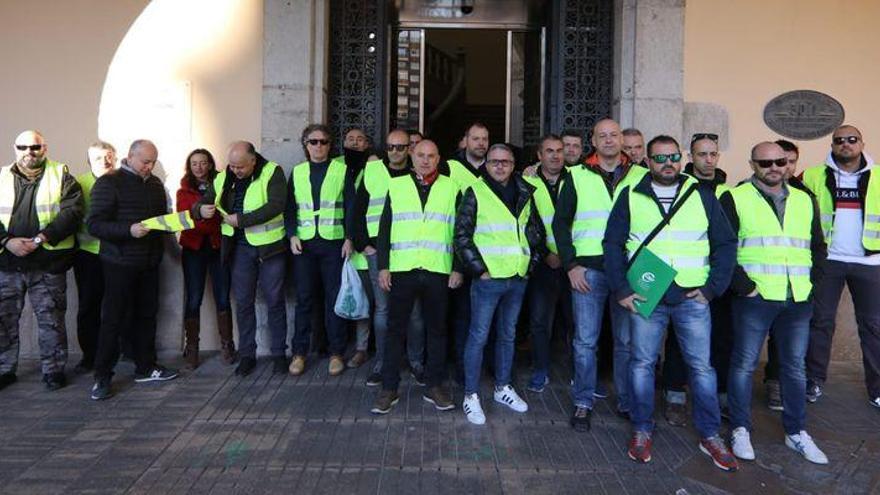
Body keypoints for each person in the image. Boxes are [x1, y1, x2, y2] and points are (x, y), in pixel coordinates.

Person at [604, 135, 738, 471]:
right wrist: (621, 290)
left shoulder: (702, 194)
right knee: (641, 364)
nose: (668, 163)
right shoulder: (630, 194)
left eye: (673, 157)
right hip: (647, 292)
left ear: (681, 158)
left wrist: (712, 288)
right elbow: (612, 244)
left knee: (701, 368)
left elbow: (725, 243)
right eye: (660, 157)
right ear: (647, 161)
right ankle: (641, 429)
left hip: (692, 294)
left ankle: (710, 434)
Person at [723, 141, 829, 464]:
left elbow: (817, 247)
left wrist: (811, 285)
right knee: (744, 364)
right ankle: (740, 428)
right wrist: (744, 287)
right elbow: (723, 247)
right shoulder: (735, 197)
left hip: (797, 297)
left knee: (794, 368)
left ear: (788, 164)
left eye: (779, 162)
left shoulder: (804, 199)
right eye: (765, 163)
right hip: (755, 298)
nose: (773, 168)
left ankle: (796, 432)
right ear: (752, 164)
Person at [553, 118, 646, 430]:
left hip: (630, 272)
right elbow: (560, 224)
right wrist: (570, 265)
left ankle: (626, 401)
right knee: (585, 341)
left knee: (626, 341)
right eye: (602, 136)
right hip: (588, 271)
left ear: (623, 140)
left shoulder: (642, 176)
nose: (608, 140)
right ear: (593, 141)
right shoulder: (576, 176)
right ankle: (583, 401)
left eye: (614, 135)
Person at [455, 143, 546, 425]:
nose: (499, 166)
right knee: (478, 336)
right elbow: (461, 236)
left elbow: (536, 232)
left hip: (517, 277)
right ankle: (470, 395)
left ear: (513, 164)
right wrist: (479, 270)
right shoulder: (475, 192)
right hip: (489, 280)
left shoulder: (525, 192)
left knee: (508, 335)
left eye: (505, 162)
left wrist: (529, 266)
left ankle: (502, 387)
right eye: (494, 161)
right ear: (487, 164)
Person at [370, 139, 462, 414]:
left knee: (437, 330)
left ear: (438, 158)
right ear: (412, 156)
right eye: (420, 155)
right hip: (402, 268)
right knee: (395, 330)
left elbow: (460, 232)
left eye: (431, 156)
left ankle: (434, 386)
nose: (425, 160)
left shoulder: (451, 187)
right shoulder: (396, 186)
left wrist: (457, 267)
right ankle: (389, 389)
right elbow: (384, 229)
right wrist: (383, 266)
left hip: (438, 269)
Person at [88, 140, 178, 400]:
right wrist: (129, 230)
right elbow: (94, 225)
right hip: (119, 262)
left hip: (149, 262)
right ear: (129, 157)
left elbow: (161, 217)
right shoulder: (109, 182)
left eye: (153, 162)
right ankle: (102, 376)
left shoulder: (155, 184)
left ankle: (146, 367)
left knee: (147, 316)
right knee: (113, 319)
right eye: (145, 162)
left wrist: (173, 223)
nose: (149, 167)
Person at [803, 125, 880, 410]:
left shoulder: (879, 176)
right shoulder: (812, 175)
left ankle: (877, 388)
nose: (845, 144)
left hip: (871, 262)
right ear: (832, 145)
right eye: (839, 141)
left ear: (862, 142)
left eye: (852, 140)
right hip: (829, 261)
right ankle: (813, 380)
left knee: (873, 326)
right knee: (820, 322)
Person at [0, 130, 83, 392]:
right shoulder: (1, 177)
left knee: (52, 320)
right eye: (23, 147)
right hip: (8, 263)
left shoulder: (62, 176)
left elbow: (73, 212)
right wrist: (6, 242)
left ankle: (54, 370)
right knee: (3, 320)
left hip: (47, 262)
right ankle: (4, 369)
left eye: (34, 147)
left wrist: (40, 238)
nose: (29, 152)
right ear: (15, 148)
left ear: (44, 149)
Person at [195, 142, 287, 376]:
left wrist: (242, 220)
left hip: (270, 248)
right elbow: (205, 200)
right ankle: (248, 355)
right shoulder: (224, 176)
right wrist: (200, 210)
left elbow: (276, 206)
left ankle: (279, 355)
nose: (235, 170)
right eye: (232, 165)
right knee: (244, 303)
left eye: (241, 167)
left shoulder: (272, 171)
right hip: (239, 250)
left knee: (275, 301)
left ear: (253, 160)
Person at [662, 132, 733, 426]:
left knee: (721, 339)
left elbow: (728, 240)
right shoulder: (680, 187)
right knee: (678, 343)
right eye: (702, 154)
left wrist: (718, 283)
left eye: (713, 154)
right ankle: (674, 395)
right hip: (684, 282)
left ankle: (719, 397)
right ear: (690, 157)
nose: (708, 159)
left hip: (715, 282)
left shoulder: (728, 192)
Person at [351, 129, 422, 386]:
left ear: (409, 150)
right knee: (382, 310)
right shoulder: (372, 170)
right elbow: (357, 211)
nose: (395, 152)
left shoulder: (419, 174)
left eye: (401, 147)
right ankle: (382, 364)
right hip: (377, 252)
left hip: (409, 251)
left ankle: (416, 363)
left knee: (414, 312)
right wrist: (364, 245)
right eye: (391, 147)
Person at [287, 124, 355, 376]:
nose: (318, 146)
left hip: (333, 243)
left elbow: (350, 205)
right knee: (304, 299)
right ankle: (299, 353)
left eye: (324, 142)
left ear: (330, 144)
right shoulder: (297, 172)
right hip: (304, 244)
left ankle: (336, 352)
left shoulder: (341, 170)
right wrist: (292, 233)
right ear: (305, 145)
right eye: (313, 142)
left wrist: (349, 237)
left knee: (333, 299)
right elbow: (289, 207)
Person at [522, 134, 572, 393]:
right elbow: (526, 224)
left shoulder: (576, 179)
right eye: (549, 151)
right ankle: (540, 369)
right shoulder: (527, 182)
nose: (555, 155)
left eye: (559, 150)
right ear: (539, 156)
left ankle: (579, 372)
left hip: (572, 262)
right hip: (542, 263)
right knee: (540, 321)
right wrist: (544, 253)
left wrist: (566, 255)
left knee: (575, 321)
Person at [177, 149, 235, 369]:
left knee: (222, 297)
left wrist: (203, 216)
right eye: (194, 163)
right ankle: (191, 347)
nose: (199, 167)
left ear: (210, 164)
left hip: (217, 247)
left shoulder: (222, 184)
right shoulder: (183, 189)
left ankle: (227, 344)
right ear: (189, 166)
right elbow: (185, 216)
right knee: (194, 298)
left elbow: (226, 213)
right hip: (193, 249)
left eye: (203, 163)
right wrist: (203, 215)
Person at [73, 140, 116, 373]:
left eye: (109, 156)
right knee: (89, 305)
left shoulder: (123, 181)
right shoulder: (79, 183)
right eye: (98, 158)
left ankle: (119, 351)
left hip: (118, 253)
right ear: (89, 161)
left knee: (119, 304)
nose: (105, 161)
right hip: (88, 254)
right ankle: (89, 355)